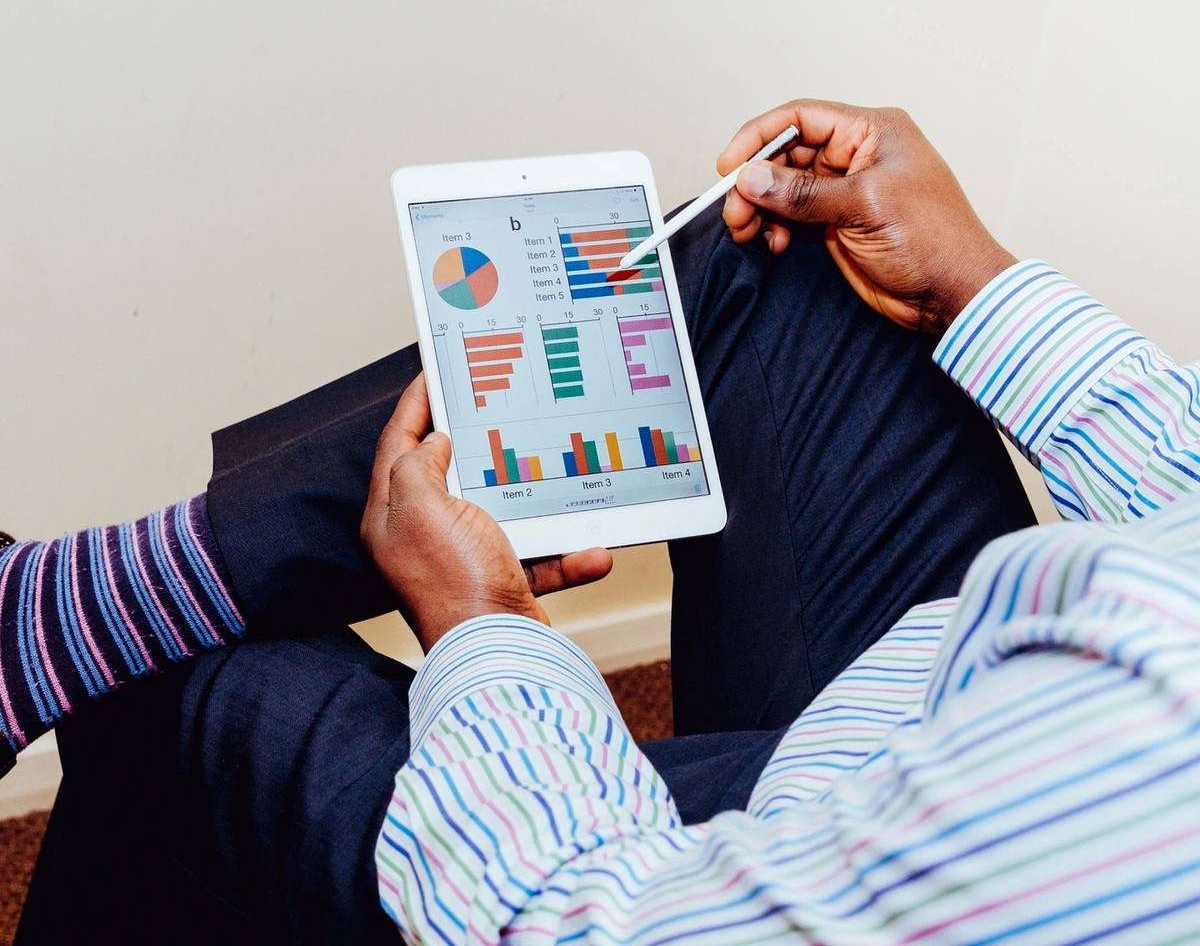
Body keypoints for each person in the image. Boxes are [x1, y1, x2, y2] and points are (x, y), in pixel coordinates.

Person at [10, 99, 1198, 943]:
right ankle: (56, 618)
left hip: (810, 857)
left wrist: (485, 625)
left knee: (191, 681)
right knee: (781, 261)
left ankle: (74, 628)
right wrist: (976, 281)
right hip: (967, 688)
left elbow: (577, 922)